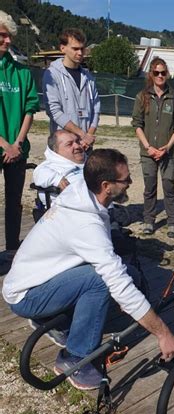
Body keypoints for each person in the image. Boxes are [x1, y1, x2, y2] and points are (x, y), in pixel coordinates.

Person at [2, 149, 174, 390]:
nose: (130, 183)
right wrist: (163, 333)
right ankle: (75, 357)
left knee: (125, 274)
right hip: (27, 296)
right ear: (106, 185)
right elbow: (117, 283)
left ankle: (57, 322)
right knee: (102, 279)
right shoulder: (85, 225)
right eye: (125, 180)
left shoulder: (81, 191)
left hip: (36, 280)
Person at [131, 57, 174, 238]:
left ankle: (172, 222)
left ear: (167, 74)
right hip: (148, 152)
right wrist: (148, 147)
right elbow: (137, 124)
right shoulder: (142, 96)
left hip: (168, 152)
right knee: (150, 186)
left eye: (163, 72)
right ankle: (149, 220)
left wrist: (167, 147)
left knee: (169, 185)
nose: (160, 76)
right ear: (151, 74)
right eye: (156, 72)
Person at [0, 11, 40, 257]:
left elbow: (29, 109)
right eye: (2, 35)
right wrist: (4, 144)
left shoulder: (22, 73)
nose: (7, 41)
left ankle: (12, 251)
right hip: (5, 146)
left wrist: (18, 143)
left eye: (9, 36)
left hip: (17, 149)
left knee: (14, 203)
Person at [42, 28, 100, 151]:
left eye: (82, 49)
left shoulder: (88, 77)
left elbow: (96, 108)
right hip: (64, 145)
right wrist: (81, 134)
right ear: (63, 48)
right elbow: (54, 111)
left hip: (86, 145)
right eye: (75, 48)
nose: (80, 53)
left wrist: (88, 135)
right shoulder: (52, 74)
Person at [33, 130, 85, 204]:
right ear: (55, 151)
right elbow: (38, 174)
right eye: (69, 144)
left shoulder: (89, 161)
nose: (77, 146)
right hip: (72, 210)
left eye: (78, 141)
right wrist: (56, 179)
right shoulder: (50, 166)